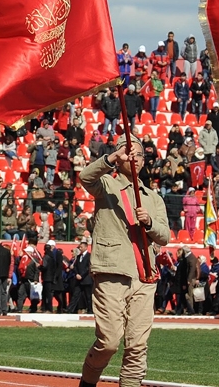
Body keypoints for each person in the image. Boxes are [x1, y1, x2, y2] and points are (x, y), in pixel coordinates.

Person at [77, 134, 170, 387]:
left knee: (138, 345)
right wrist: (110, 159)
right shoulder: (106, 184)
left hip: (145, 275)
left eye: (140, 154)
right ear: (120, 157)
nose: (136, 158)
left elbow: (165, 236)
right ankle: (87, 383)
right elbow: (85, 177)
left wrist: (149, 222)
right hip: (112, 272)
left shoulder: (153, 197)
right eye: (130, 153)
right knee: (109, 341)